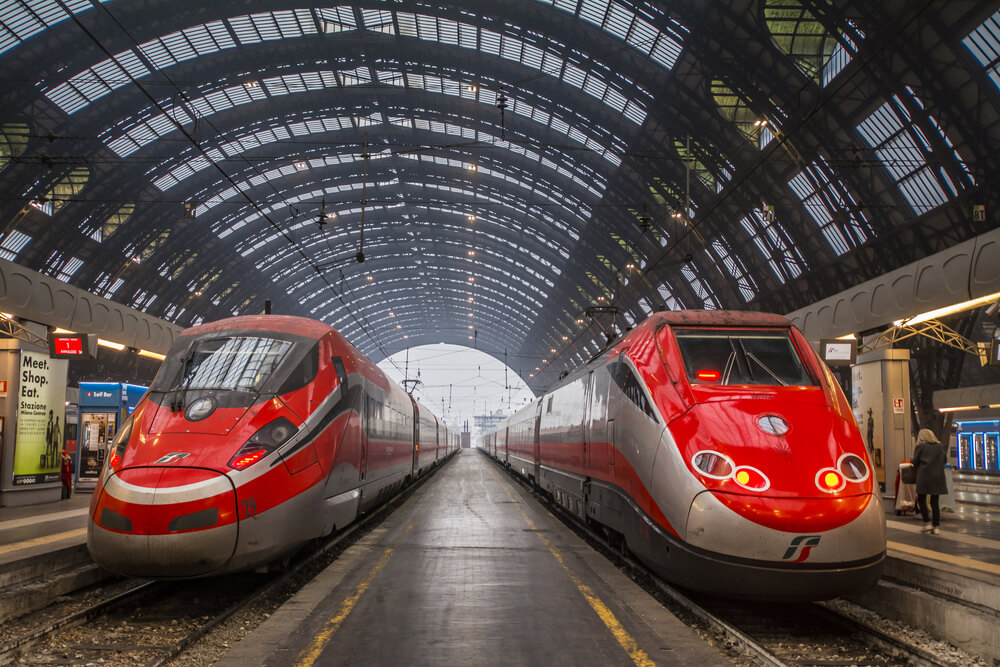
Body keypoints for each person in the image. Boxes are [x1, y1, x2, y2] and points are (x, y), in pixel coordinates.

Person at [911, 428, 947, 534]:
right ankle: (936, 527)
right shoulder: (939, 447)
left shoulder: (920, 447)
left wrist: (912, 459)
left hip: (924, 476)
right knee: (934, 502)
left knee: (921, 500)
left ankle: (927, 522)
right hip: (938, 477)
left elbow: (915, 462)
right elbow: (944, 460)